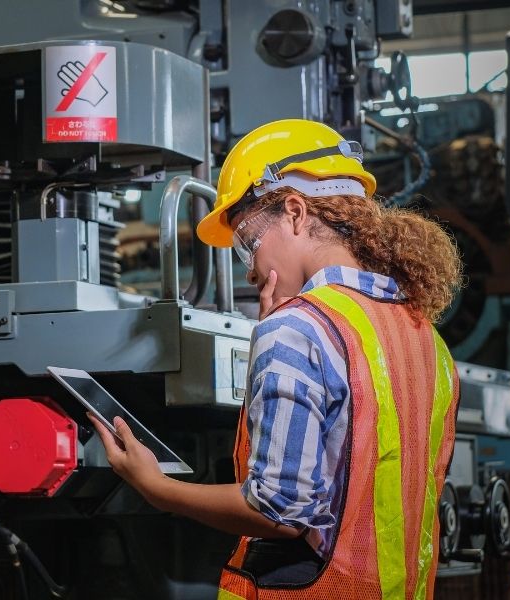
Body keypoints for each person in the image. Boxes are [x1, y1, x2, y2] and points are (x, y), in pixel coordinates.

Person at [89, 118, 463, 600]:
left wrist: (156, 487)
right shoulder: (424, 336)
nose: (248, 269)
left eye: (248, 241)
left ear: (294, 211)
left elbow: (280, 514)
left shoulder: (297, 331)